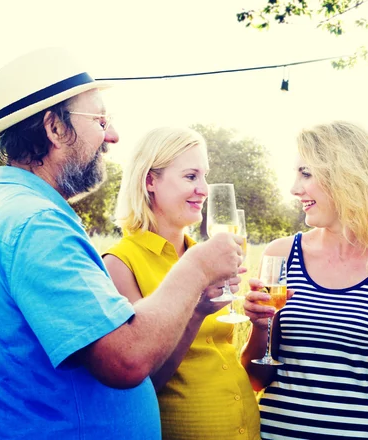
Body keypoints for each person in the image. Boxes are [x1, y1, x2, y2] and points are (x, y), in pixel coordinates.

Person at [0, 48, 243, 440]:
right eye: (100, 120)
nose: (113, 136)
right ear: (54, 128)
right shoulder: (35, 224)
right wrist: (198, 267)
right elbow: (125, 359)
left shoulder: (4, 210)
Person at [241, 120, 368, 439]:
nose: (294, 188)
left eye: (306, 173)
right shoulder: (280, 255)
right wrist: (261, 326)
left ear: (345, 176)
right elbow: (254, 380)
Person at [102, 126, 260, 439]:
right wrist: (197, 311)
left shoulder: (204, 254)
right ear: (150, 181)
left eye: (204, 176)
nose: (203, 188)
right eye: (190, 176)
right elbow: (143, 380)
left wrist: (262, 325)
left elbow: (227, 358)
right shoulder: (120, 263)